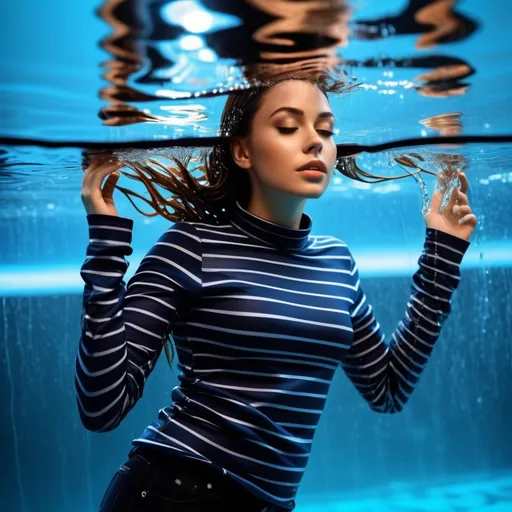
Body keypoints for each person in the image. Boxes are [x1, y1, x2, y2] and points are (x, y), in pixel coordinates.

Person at [77, 75, 477, 511]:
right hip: (172, 490)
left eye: (325, 130)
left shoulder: (337, 262)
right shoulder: (190, 247)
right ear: (242, 150)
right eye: (288, 127)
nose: (314, 143)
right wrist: (106, 243)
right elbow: (101, 406)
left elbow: (387, 389)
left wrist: (443, 256)